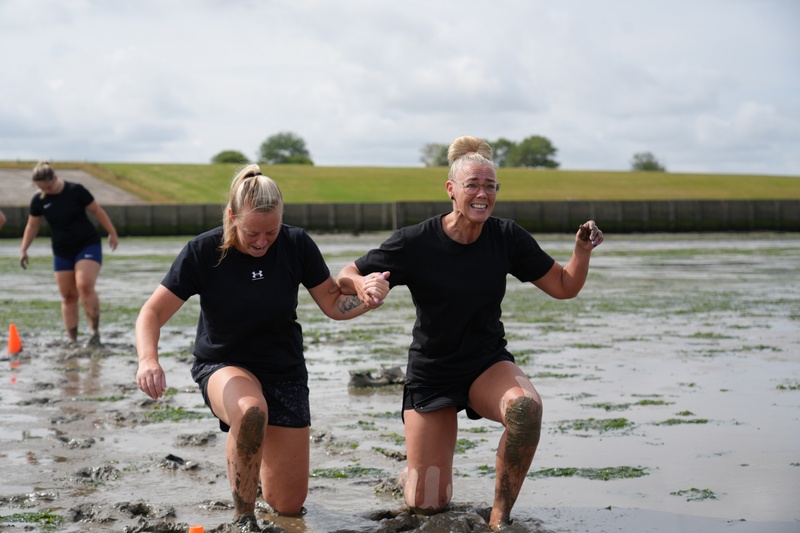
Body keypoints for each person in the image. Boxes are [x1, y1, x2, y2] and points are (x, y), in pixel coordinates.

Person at [337, 135, 603, 530]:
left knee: (525, 411)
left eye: (490, 186)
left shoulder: (506, 236)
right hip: (433, 372)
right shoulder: (415, 241)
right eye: (473, 185)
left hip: (485, 364)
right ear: (451, 190)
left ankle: (499, 519)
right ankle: (410, 475)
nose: (483, 194)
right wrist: (364, 286)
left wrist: (581, 251)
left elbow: (564, 286)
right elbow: (346, 275)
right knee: (427, 507)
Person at [135, 164, 388, 529]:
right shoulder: (204, 251)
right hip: (223, 366)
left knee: (287, 506)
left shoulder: (296, 243)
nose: (261, 242)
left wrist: (368, 297)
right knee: (251, 410)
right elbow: (151, 312)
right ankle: (243, 518)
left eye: (271, 232)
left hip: (284, 372)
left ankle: (262, 491)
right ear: (231, 216)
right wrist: (148, 360)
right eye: (252, 232)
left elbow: (333, 303)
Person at [19, 161, 119, 346]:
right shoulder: (39, 200)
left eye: (48, 186)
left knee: (84, 285)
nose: (45, 191)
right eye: (41, 188)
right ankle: (72, 340)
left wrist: (112, 233)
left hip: (87, 245)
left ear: (55, 178)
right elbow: (32, 225)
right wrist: (24, 249)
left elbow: (97, 211)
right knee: (67, 295)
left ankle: (94, 333)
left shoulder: (76, 190)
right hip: (62, 250)